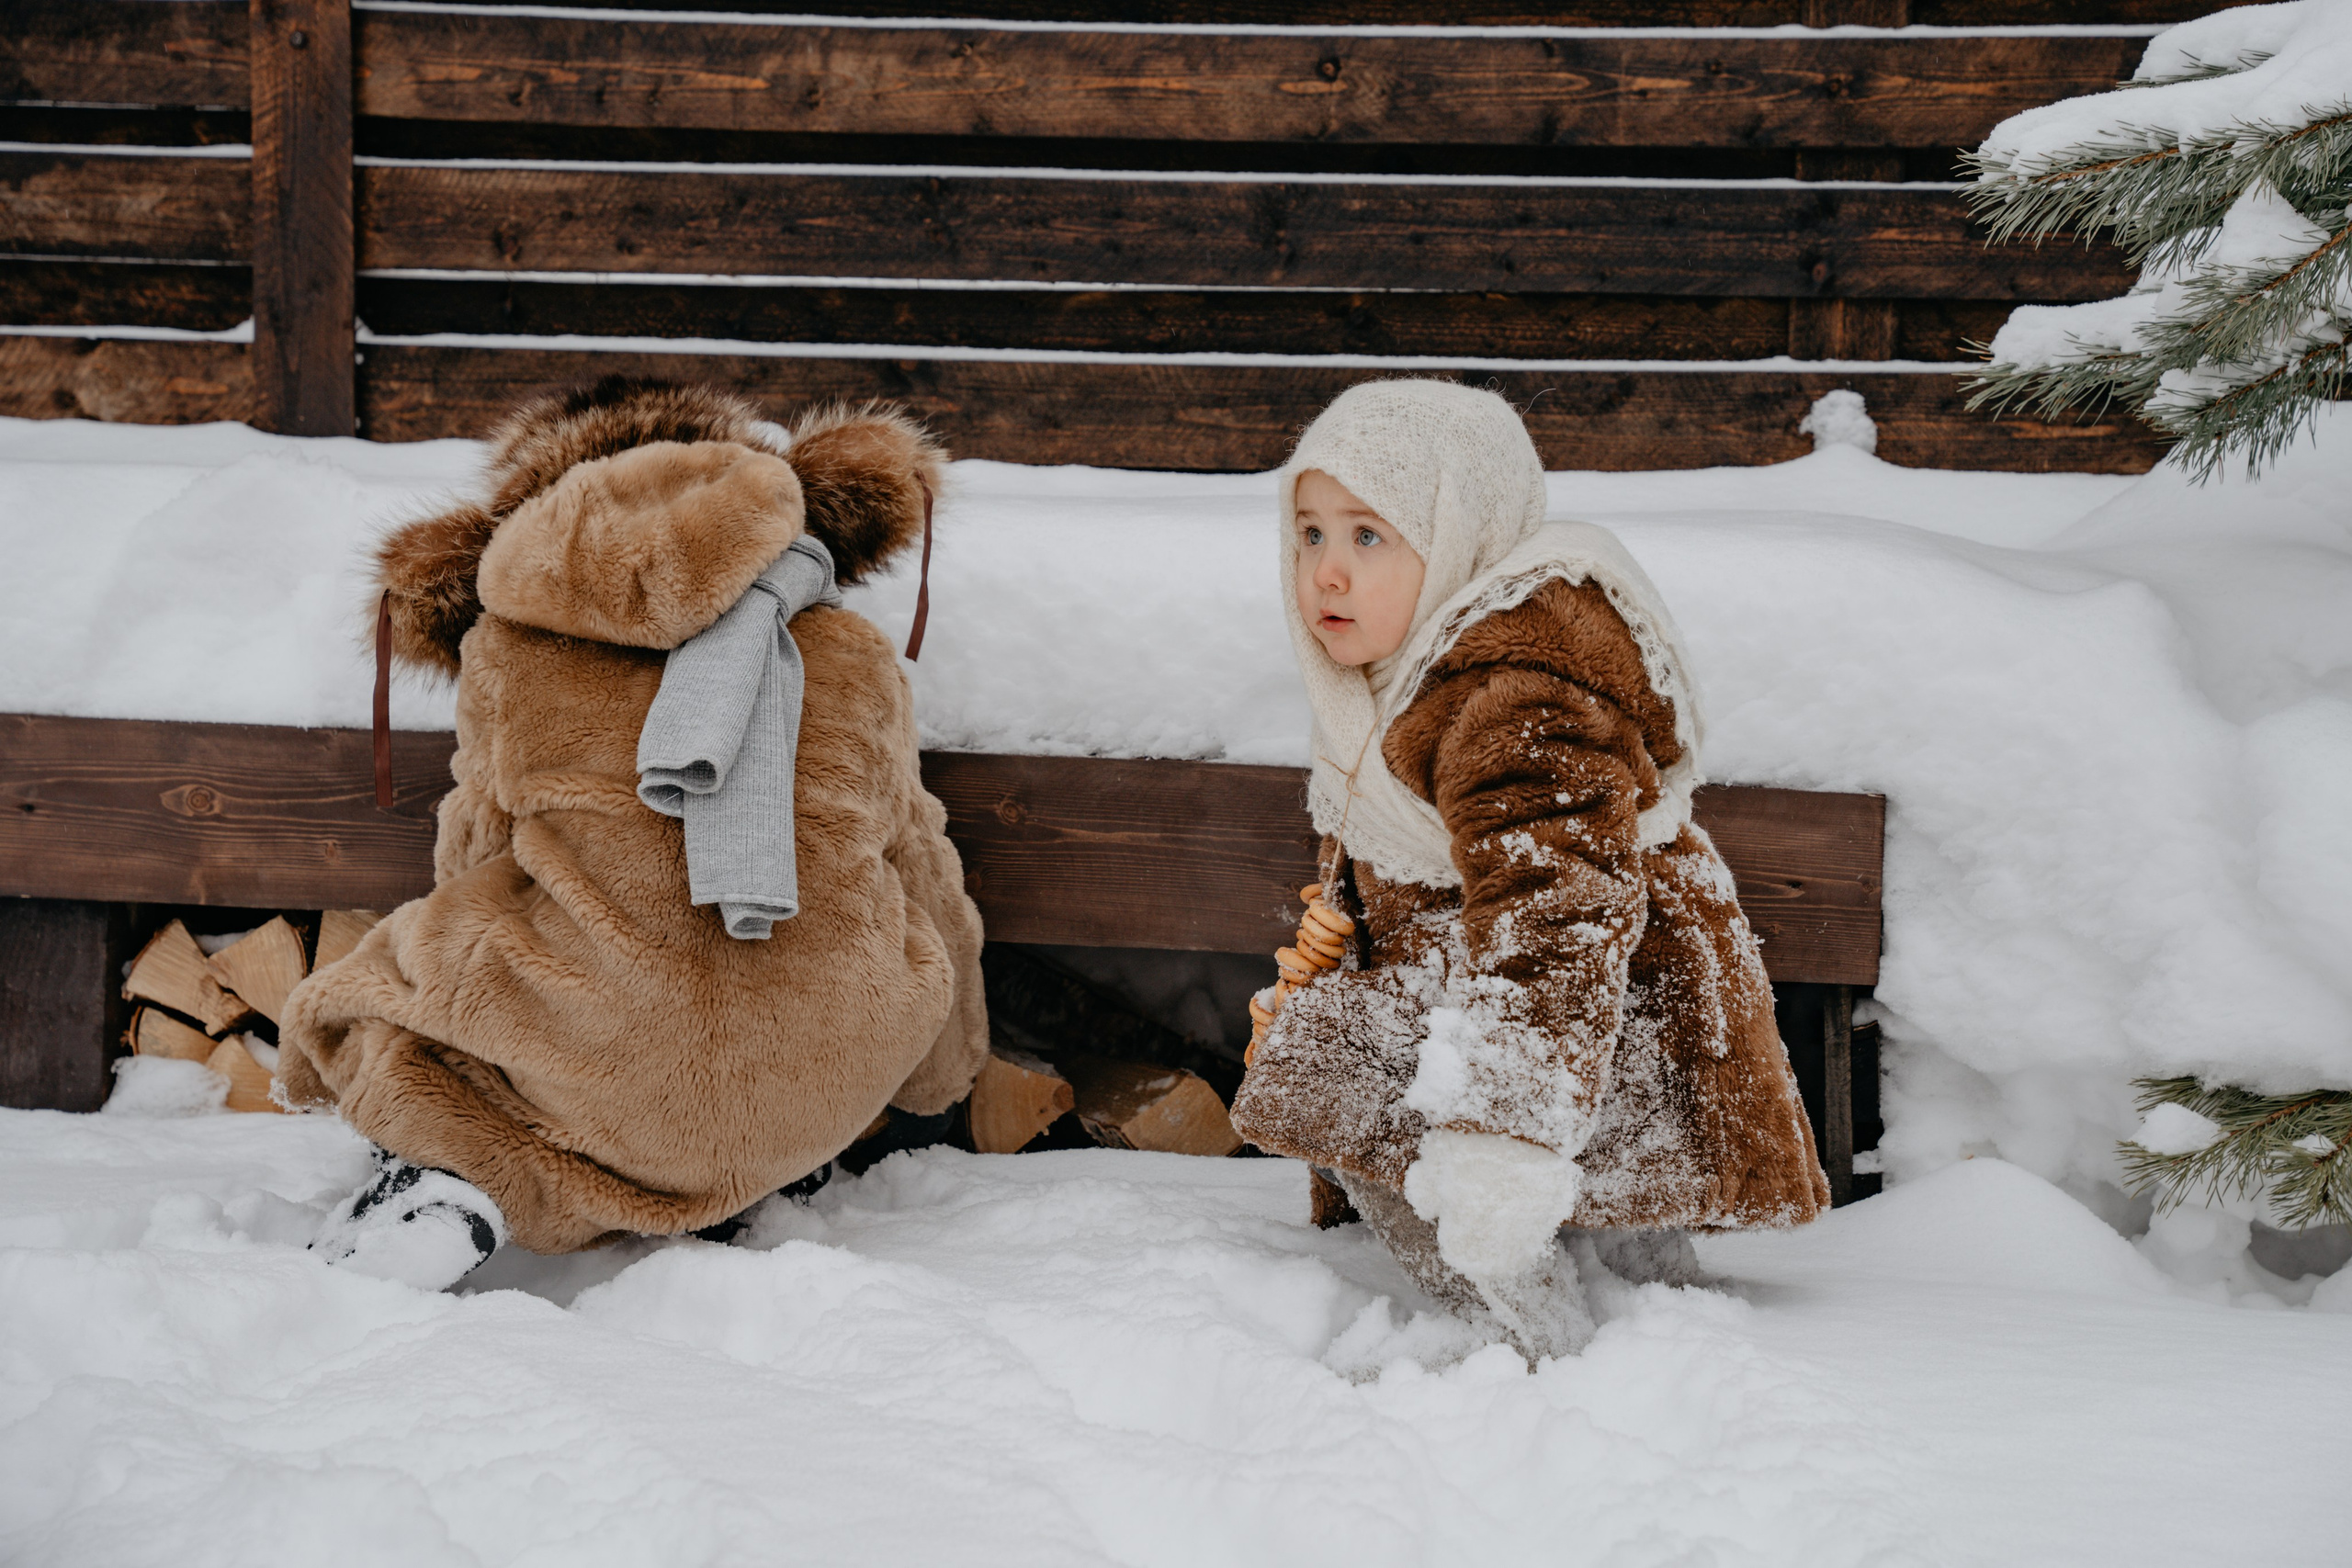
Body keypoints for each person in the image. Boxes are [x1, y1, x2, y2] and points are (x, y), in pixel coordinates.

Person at [278, 378, 988, 1291]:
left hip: (609, 1051)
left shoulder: (513, 651)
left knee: (382, 999)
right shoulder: (846, 649)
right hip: (826, 1069)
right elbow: (918, 858)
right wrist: (940, 1081)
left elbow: (476, 852)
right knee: (839, 968)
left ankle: (458, 1179)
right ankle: (754, 1168)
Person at [1229, 380, 1827, 1360]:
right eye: (1310, 533)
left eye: (1369, 535)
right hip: (1527, 1019)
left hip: (1603, 1028)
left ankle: (1519, 1321)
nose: (1327, 572)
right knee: (1345, 1040)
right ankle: (1617, 1289)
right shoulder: (1410, 673)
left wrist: (1503, 1134)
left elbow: (1563, 914)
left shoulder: (1513, 694)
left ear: (1459, 533)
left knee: (1331, 1056)